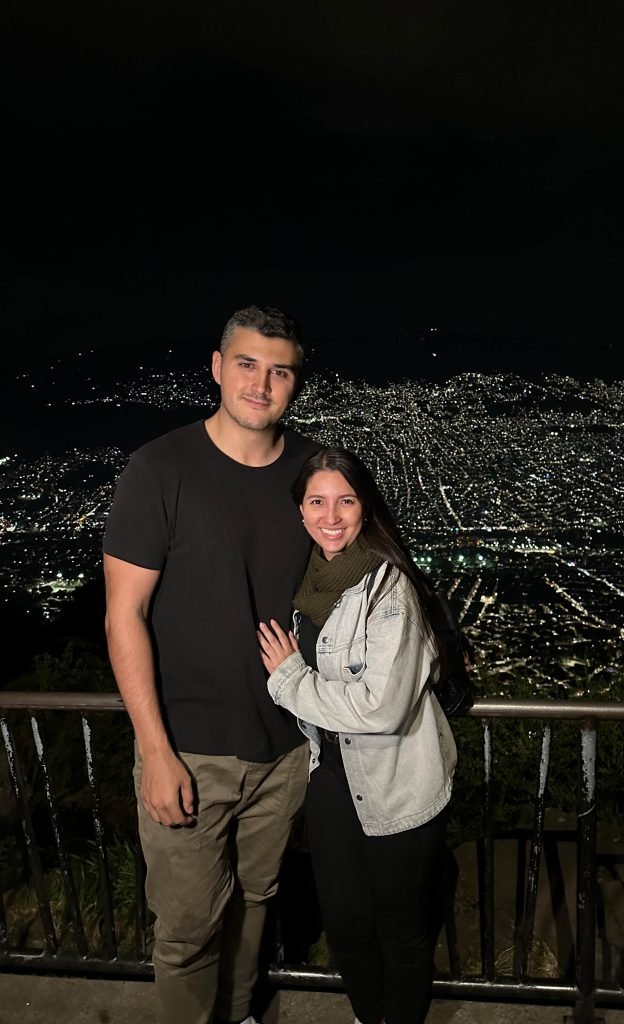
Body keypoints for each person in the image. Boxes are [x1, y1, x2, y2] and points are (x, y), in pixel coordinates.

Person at [103, 304, 318, 1024]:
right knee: (189, 927)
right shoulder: (160, 469)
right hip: (189, 750)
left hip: (285, 748)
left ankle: (240, 1012)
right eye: (248, 364)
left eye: (279, 370)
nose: (262, 383)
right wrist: (156, 752)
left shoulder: (309, 473)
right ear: (218, 367)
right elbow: (122, 616)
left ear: (295, 383)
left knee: (256, 904)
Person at [258, 448, 457, 1024]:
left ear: (365, 508)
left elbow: (382, 707)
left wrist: (290, 680)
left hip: (398, 784)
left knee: (399, 930)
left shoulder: (387, 588)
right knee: (345, 926)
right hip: (333, 781)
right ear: (299, 510)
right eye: (317, 501)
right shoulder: (307, 583)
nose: (332, 515)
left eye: (346, 500)